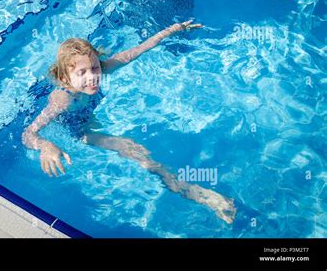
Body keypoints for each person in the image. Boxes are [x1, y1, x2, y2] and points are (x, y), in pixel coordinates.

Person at [22, 20, 236, 224]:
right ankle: (199, 195)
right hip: (78, 132)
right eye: (82, 73)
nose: (93, 77)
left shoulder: (101, 69)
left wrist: (172, 30)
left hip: (86, 116)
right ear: (66, 78)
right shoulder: (63, 99)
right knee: (134, 151)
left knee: (137, 149)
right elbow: (28, 134)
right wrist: (46, 145)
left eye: (95, 68)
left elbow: (139, 50)